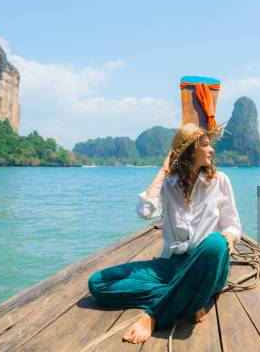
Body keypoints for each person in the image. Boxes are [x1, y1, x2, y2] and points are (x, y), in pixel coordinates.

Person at [88, 123, 242, 344]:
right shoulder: (169, 184)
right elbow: (145, 211)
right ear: (190, 151)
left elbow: (233, 224)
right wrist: (163, 172)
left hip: (208, 265)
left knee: (216, 243)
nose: (212, 150)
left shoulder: (220, 181)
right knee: (98, 284)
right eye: (205, 145)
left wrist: (230, 236)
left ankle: (154, 315)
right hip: (173, 264)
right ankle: (188, 299)